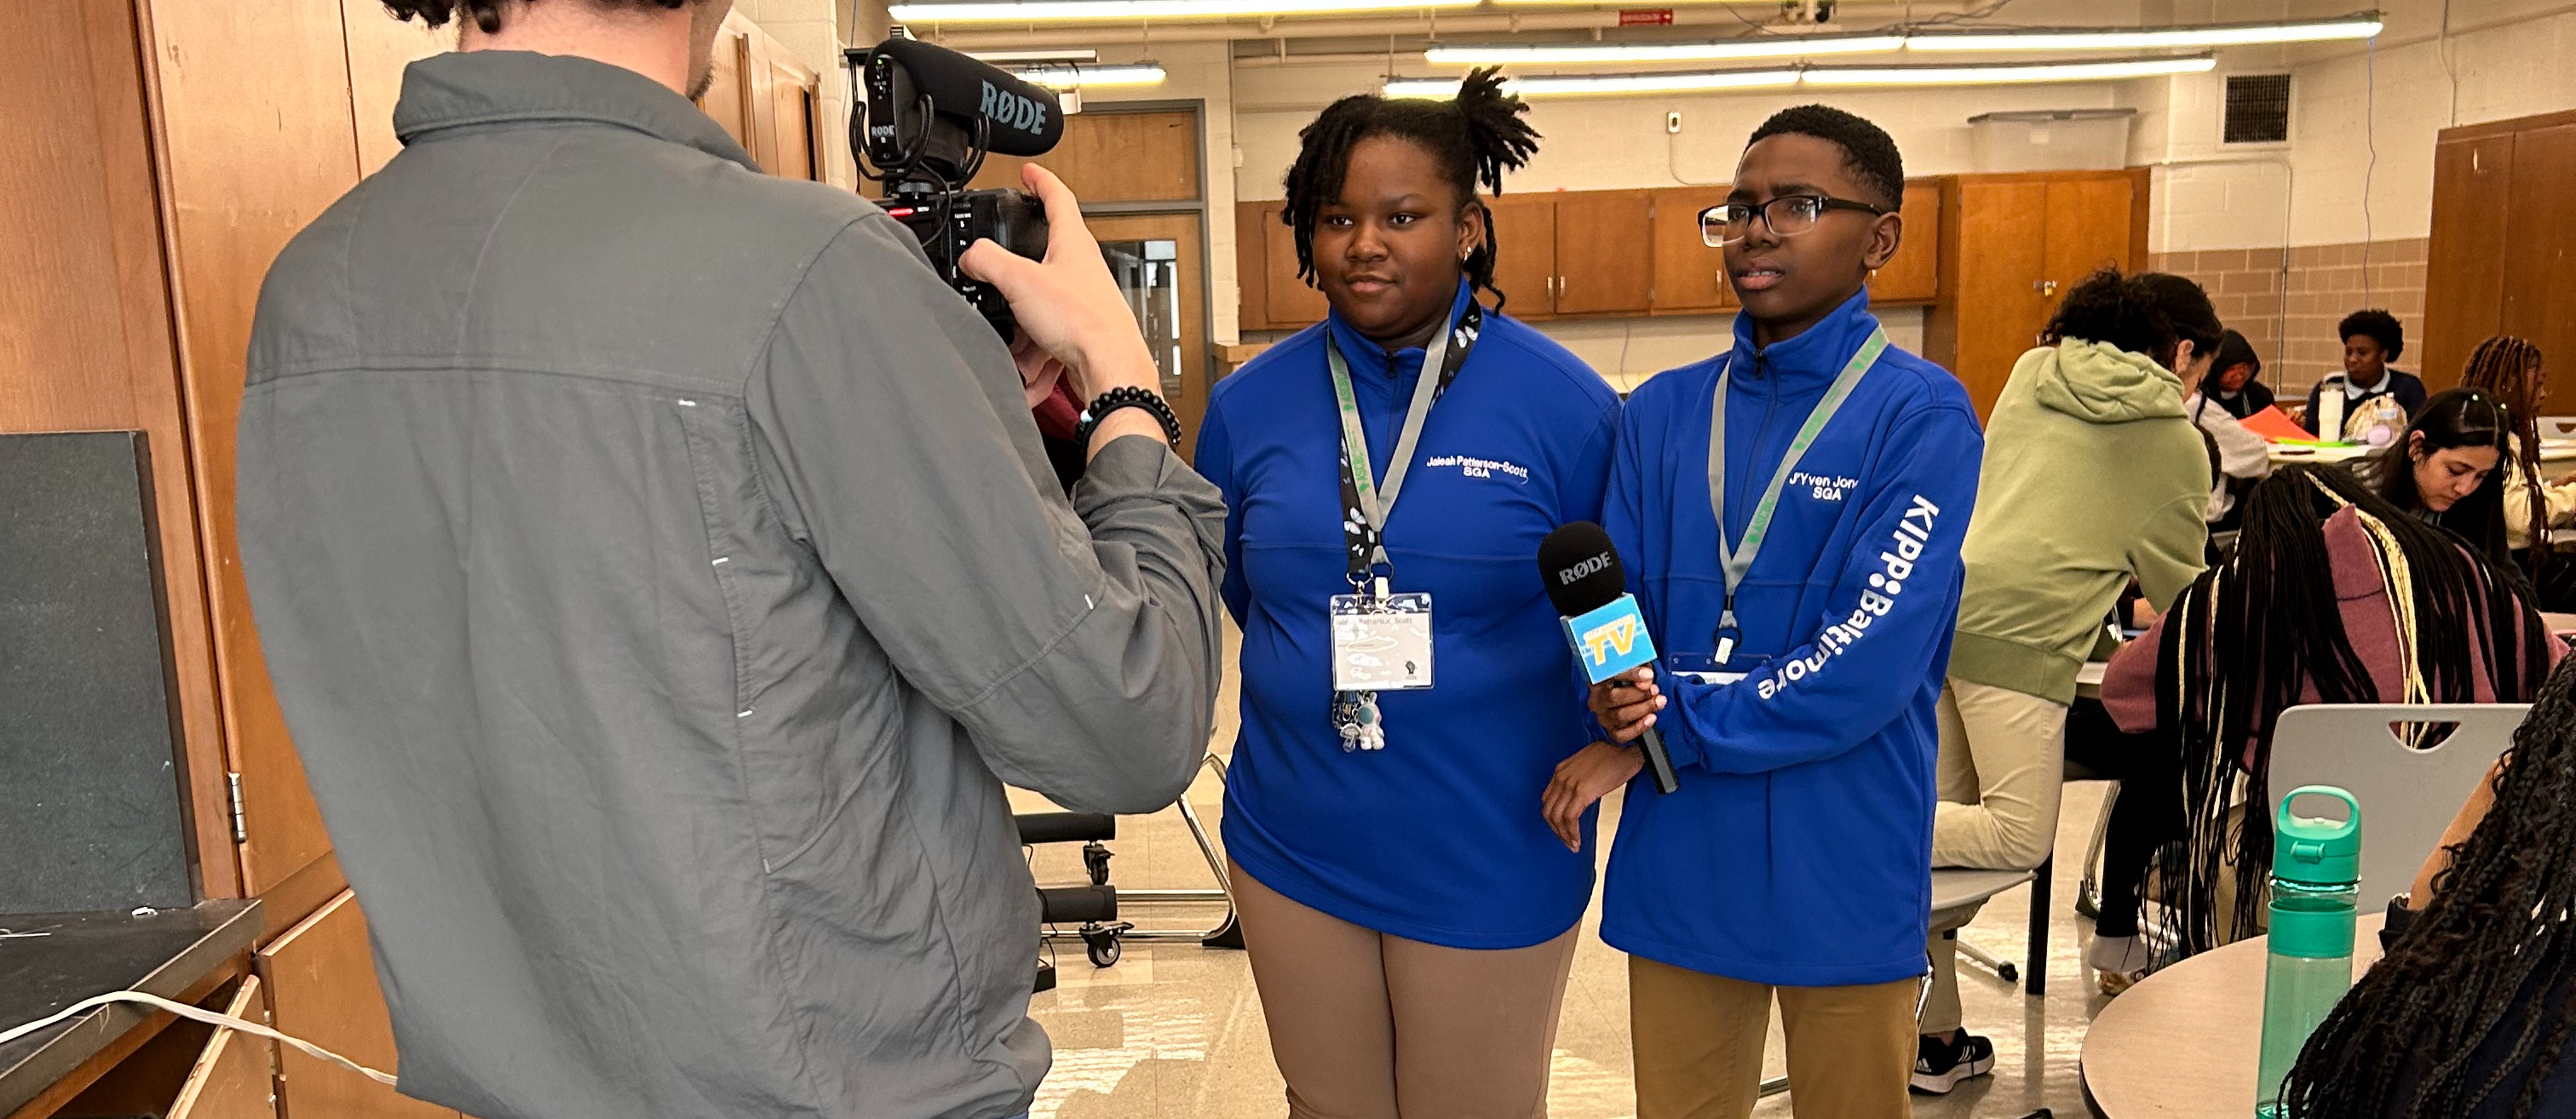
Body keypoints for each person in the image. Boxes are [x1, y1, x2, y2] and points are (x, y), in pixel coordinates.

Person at [233, 4, 1227, 1119]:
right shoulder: (808, 272)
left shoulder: (308, 292)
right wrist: (1127, 397)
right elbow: (1125, 723)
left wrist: (941, 405)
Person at [1544, 104, 1982, 1119]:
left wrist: (1668, 727)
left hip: (1843, 851)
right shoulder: (1660, 412)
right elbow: (1611, 613)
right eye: (1740, 208)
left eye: (1798, 204)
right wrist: (1611, 703)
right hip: (1685, 857)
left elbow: (1865, 661)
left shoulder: (1919, 417)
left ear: (1880, 238)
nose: (1757, 229)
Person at [1196, 70, 1619, 1119]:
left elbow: (1611, 600)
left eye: (1402, 217)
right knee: (1326, 1105)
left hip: (1493, 832)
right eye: (1336, 218)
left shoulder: (1563, 406)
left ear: (1470, 228)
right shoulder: (1251, 406)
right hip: (1296, 832)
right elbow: (1247, 589)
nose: (1364, 244)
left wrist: (1628, 734)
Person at [1921, 267, 2219, 1089]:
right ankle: (1862, 822)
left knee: (1938, 855)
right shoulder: (2172, 439)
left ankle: (1930, 1040)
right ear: (2181, 354)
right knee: (2014, 835)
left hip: (1946, 619)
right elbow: (2185, 596)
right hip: (2024, 646)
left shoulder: (2029, 373)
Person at [2092, 464, 2551, 967]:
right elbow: (2557, 681)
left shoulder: (2239, 592)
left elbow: (2123, 694)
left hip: (2309, 864)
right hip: (2468, 855)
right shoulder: (2467, 574)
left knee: (2156, 769)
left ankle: (2119, 935)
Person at [2279, 655, 2576, 1118]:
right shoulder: (2498, 602)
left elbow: (2121, 699)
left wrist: (2510, 783)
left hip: (2319, 873)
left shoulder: (2452, 1041)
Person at [2461, 335, 2576, 588]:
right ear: (2507, 385)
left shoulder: (2506, 432)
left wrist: (2550, 490)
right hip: (2513, 569)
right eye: (2538, 384)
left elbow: (2515, 499)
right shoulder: (2493, 442)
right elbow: (2521, 518)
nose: (2544, 394)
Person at [2369, 387, 2517, 569]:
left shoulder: (2476, 502)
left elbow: (2509, 579)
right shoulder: (2358, 497)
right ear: (2417, 447)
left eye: (2480, 476)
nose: (2465, 489)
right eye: (2455, 470)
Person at [2302, 308, 2426, 440]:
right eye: (2348, 352)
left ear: (2383, 354)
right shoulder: (2330, 388)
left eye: (2362, 353)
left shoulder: (2408, 388)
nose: (2352, 359)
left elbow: (2419, 437)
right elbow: (2310, 438)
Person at [2203, 328, 2275, 419]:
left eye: (2244, 368)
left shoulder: (2260, 396)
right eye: (2231, 369)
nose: (2238, 376)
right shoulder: (2200, 398)